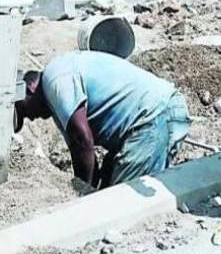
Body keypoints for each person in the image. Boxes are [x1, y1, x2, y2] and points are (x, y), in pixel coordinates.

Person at [14, 50, 190, 189]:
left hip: (155, 115)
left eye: (23, 111)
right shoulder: (57, 97)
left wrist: (83, 192)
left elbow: (82, 141)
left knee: (120, 202)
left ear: (29, 89)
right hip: (152, 116)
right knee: (108, 184)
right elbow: (83, 153)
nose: (30, 118)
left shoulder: (55, 80)